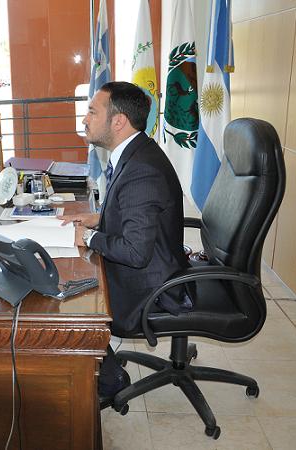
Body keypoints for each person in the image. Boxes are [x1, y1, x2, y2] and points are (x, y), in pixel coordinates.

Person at [59, 81, 190, 405]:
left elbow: (134, 251)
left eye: (92, 111)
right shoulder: (136, 152)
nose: (84, 120)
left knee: (71, 299)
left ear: (118, 121)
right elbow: (133, 209)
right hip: (159, 265)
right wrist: (100, 218)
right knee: (74, 275)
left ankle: (110, 378)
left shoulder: (141, 169)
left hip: (151, 288)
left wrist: (89, 236)